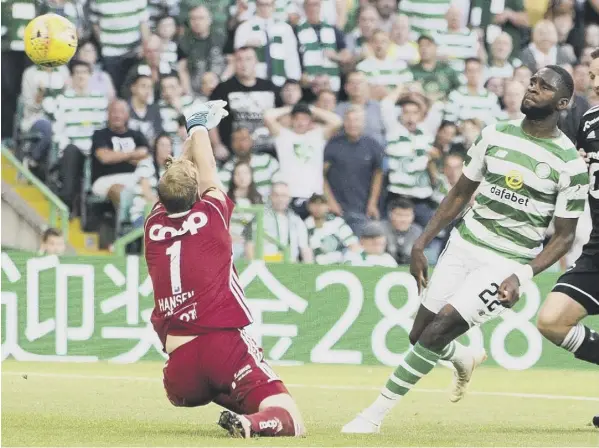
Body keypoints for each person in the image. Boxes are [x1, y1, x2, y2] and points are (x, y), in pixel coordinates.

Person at [342, 65, 589, 434]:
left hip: (506, 261)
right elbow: (459, 193)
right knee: (420, 335)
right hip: (463, 244)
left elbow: (564, 237)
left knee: (438, 330)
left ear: (563, 103)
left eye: (545, 87)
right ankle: (464, 356)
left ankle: (372, 416)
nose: (533, 88)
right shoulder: (495, 133)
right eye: (532, 81)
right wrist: (421, 242)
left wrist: (520, 275)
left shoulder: (569, 163)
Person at [144, 100, 305, 438]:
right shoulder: (212, 216)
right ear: (196, 192)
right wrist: (199, 125)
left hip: (181, 376)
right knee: (289, 416)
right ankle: (250, 423)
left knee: (223, 386)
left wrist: (192, 134)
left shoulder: (153, 225)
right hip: (221, 347)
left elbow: (179, 177)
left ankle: (243, 403)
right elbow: (208, 171)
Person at [536, 50, 599, 428]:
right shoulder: (588, 121)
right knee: (551, 321)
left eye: (598, 73)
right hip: (597, 251)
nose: (593, 80)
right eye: (591, 73)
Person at [264, 102, 342, 218]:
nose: (300, 122)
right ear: (291, 120)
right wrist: (291, 108)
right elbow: (267, 116)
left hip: (315, 196)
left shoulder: (318, 135)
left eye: (304, 119)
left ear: (310, 120)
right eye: (297, 119)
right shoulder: (283, 136)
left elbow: (337, 121)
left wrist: (311, 108)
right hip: (289, 195)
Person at [324, 106, 384, 236]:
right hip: (336, 210)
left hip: (362, 209)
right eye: (349, 120)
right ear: (344, 122)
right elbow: (321, 175)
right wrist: (330, 201)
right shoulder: (333, 145)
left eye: (356, 120)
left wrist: (372, 203)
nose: (352, 124)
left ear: (363, 122)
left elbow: (378, 175)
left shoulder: (373, 145)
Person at [90, 100, 150, 208]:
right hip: (105, 179)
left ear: (127, 115)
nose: (117, 115)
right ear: (108, 114)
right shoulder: (100, 134)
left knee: (149, 188)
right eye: (114, 112)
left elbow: (145, 156)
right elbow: (105, 158)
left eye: (121, 112)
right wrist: (133, 155)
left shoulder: (137, 135)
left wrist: (116, 156)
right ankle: (127, 223)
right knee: (121, 191)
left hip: (134, 177)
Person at [244, 181, 313, 263]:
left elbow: (305, 249)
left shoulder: (297, 221)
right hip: (266, 266)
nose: (280, 199)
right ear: (270, 196)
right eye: (276, 195)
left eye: (284, 195)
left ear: (289, 198)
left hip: (290, 267)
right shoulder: (259, 217)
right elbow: (249, 245)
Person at [128, 133, 173, 228]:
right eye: (162, 145)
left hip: (163, 213)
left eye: (168, 145)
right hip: (142, 214)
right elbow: (147, 193)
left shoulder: (170, 169)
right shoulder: (146, 164)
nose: (166, 149)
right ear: (155, 147)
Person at [304, 193, 359, 265]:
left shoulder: (337, 222)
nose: (318, 207)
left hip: (340, 265)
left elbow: (353, 245)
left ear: (328, 206)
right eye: (314, 203)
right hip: (316, 267)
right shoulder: (304, 226)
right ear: (308, 206)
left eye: (322, 204)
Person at [227, 161, 264, 260]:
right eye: (238, 173)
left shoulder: (259, 199)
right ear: (233, 176)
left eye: (245, 173)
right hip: (231, 243)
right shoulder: (226, 199)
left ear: (251, 175)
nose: (242, 177)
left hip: (252, 242)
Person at [382, 198, 422, 265]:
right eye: (399, 215)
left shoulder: (417, 231)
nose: (403, 220)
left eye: (407, 215)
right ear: (390, 215)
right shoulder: (380, 229)